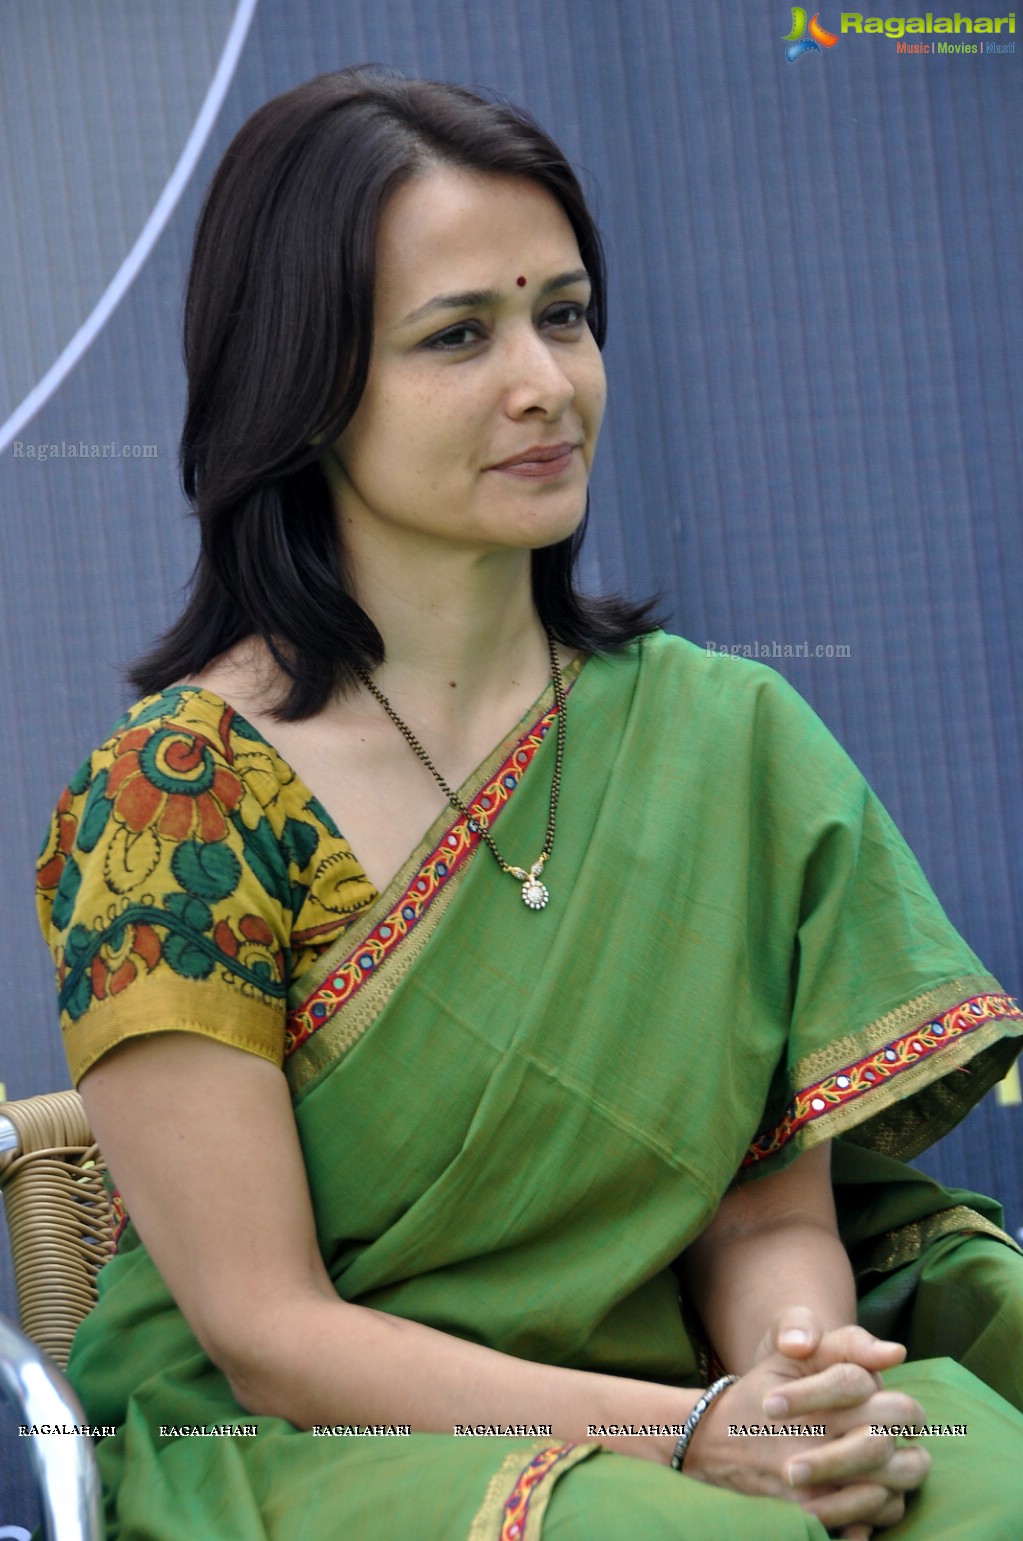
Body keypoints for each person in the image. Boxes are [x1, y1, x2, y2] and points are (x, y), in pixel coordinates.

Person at [35, 67, 1023, 1541]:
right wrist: (690, 1440)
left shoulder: (720, 731)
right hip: (316, 1440)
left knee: (977, 1488)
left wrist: (800, 1390)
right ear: (300, 384)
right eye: (458, 336)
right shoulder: (172, 799)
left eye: (564, 315)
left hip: (695, 1384)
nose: (545, 385)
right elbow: (270, 1330)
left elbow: (761, 1209)